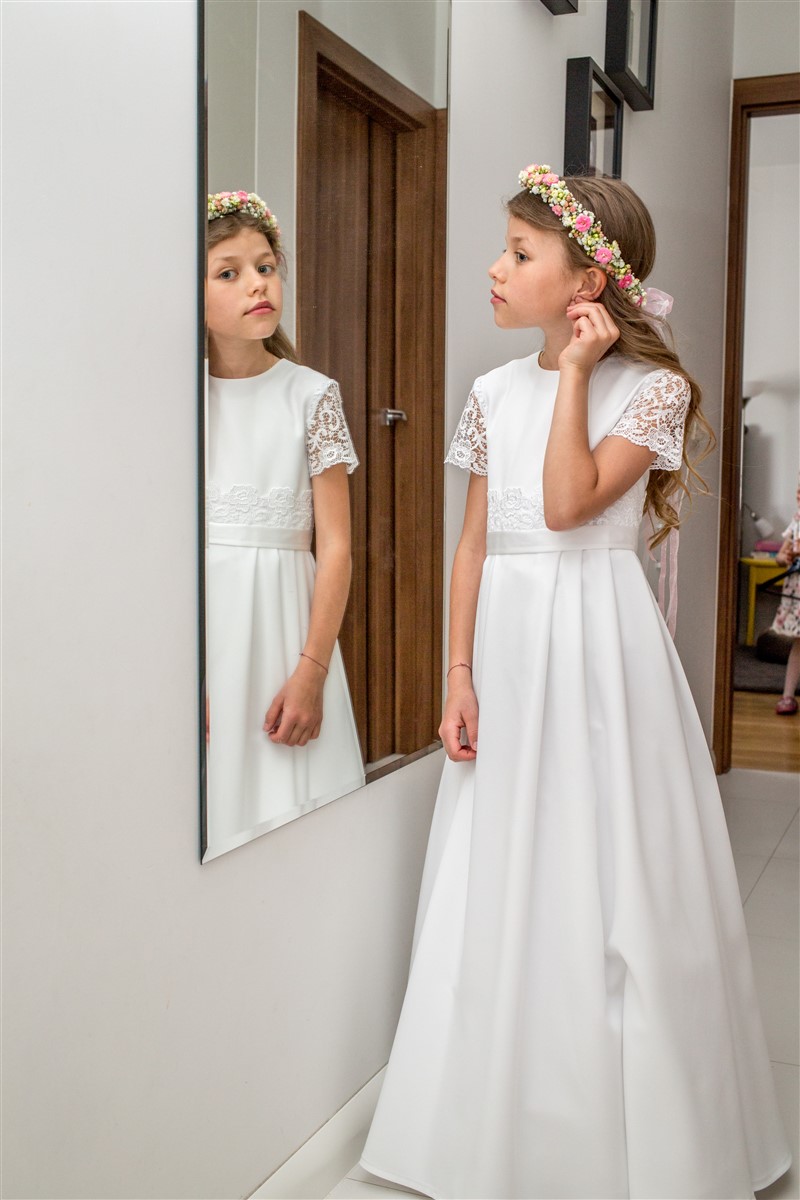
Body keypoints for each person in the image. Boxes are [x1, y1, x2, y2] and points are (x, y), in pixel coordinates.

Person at [360, 167, 790, 1198]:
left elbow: (564, 506)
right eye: (503, 249)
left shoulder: (651, 389)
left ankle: (628, 1134)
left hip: (598, 645)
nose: (494, 268)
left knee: (607, 859)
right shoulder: (487, 393)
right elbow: (474, 546)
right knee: (503, 855)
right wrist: (457, 673)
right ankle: (487, 1118)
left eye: (518, 253)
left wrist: (571, 376)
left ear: (586, 282)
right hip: (506, 645)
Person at [205, 191, 364, 857]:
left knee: (290, 820)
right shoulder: (176, 401)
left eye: (266, 267)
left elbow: (338, 548)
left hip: (286, 635)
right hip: (205, 635)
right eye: (229, 272)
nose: (257, 284)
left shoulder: (311, 395)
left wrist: (311, 672)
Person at [771, 481, 800, 715]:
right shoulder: (796, 523)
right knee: (798, 645)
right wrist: (786, 556)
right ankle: (787, 695)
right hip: (797, 592)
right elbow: (780, 558)